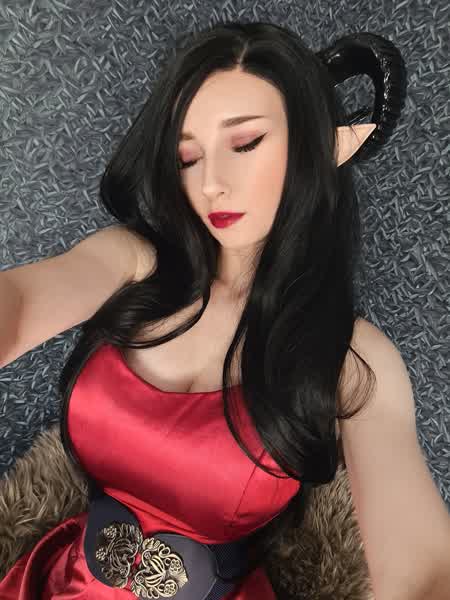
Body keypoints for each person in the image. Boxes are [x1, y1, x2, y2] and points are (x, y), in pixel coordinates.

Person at [5, 18, 445, 600]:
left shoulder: (352, 356)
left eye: (245, 143)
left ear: (322, 147)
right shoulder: (132, 264)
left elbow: (422, 564)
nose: (211, 182)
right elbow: (21, 303)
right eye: (187, 156)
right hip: (59, 583)